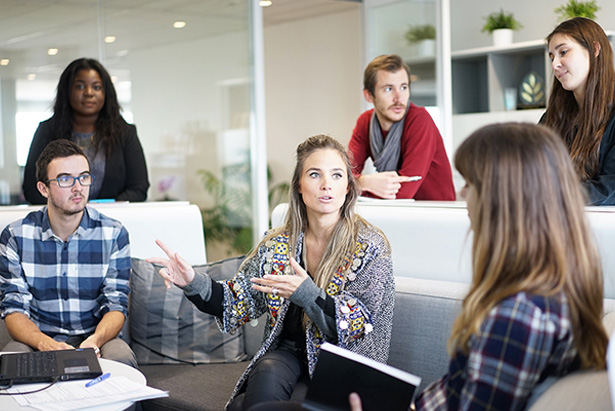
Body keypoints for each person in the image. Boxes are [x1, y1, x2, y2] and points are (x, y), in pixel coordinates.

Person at [148, 134, 395, 410]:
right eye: (315, 174)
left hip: (342, 363)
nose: (326, 185)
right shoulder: (278, 243)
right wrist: (193, 282)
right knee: (266, 372)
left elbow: (359, 324)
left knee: (243, 405)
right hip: (287, 354)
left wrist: (307, 294)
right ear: (299, 186)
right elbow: (238, 300)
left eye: (337, 175)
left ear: (348, 187)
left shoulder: (370, 246)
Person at [410, 123, 607, 410]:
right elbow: (459, 387)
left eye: (470, 183)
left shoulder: (518, 315)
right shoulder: (555, 286)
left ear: (501, 199)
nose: (463, 194)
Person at [0, 140, 137, 368]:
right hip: (38, 339)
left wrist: (94, 341)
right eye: (65, 179)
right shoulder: (15, 236)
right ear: (44, 188)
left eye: (84, 177)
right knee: (11, 361)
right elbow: (14, 310)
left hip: (97, 339)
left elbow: (116, 305)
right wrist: (46, 344)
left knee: (121, 359)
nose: (78, 187)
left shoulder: (114, 234)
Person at [22, 57, 149, 204]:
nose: (89, 93)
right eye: (80, 86)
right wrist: (68, 210)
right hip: (60, 223)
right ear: (67, 90)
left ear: (106, 93)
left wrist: (102, 210)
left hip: (112, 220)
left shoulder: (125, 133)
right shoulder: (47, 131)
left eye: (96, 87)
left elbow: (139, 188)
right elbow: (32, 189)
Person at [347, 54, 455, 200]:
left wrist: (358, 185)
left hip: (434, 214)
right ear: (369, 96)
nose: (399, 98)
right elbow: (342, 177)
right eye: (388, 89)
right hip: (396, 213)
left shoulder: (419, 120)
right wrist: (365, 182)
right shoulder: (365, 122)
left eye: (403, 87)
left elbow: (404, 192)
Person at [541, 17, 615, 205]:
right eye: (551, 56)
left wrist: (553, 197)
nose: (555, 64)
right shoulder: (552, 117)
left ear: (594, 50)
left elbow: (610, 187)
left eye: (563, 52)